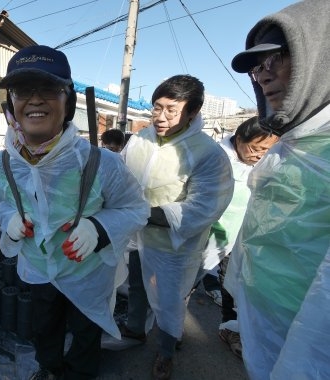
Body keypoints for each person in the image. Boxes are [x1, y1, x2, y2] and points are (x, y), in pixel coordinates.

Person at [0, 45, 149, 380]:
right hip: (39, 268)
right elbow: (0, 201)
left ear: (68, 102)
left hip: (87, 272)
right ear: (10, 105)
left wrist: (99, 228)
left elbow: (135, 207)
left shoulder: (101, 163)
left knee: (86, 331)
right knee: (44, 326)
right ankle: (49, 368)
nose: (35, 99)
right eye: (22, 90)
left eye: (48, 89)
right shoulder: (0, 165)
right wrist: (8, 220)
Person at [229, 1, 330, 378]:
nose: (263, 76)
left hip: (309, 340)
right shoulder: (291, 144)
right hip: (263, 313)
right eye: (257, 67)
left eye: (276, 59)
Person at [121, 74, 234, 380]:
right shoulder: (140, 139)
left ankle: (166, 350)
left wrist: (138, 212)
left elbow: (202, 208)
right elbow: (119, 175)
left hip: (174, 247)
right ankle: (134, 330)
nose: (160, 116)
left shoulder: (208, 154)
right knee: (135, 287)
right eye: (157, 107)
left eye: (172, 110)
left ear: (193, 112)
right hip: (135, 236)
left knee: (170, 300)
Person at [198, 116, 278, 360]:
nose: (259, 156)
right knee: (187, 282)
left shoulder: (263, 164)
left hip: (240, 237)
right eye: (255, 148)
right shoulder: (215, 156)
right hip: (206, 234)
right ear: (238, 138)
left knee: (231, 284)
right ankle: (171, 331)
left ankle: (229, 328)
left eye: (267, 150)